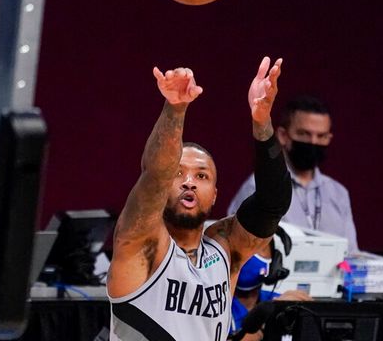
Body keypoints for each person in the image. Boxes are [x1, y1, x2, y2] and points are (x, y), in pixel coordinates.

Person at [107, 57, 292, 341]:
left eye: (202, 176)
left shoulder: (226, 248)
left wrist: (262, 123)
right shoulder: (142, 244)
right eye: (178, 174)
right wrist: (175, 108)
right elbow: (155, 174)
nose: (190, 182)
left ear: (215, 194)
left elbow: (273, 203)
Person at [227, 95, 358, 252]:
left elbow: (351, 254)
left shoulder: (338, 193)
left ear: (329, 138)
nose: (313, 142)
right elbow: (234, 246)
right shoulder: (259, 186)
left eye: (321, 136)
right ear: (283, 135)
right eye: (304, 134)